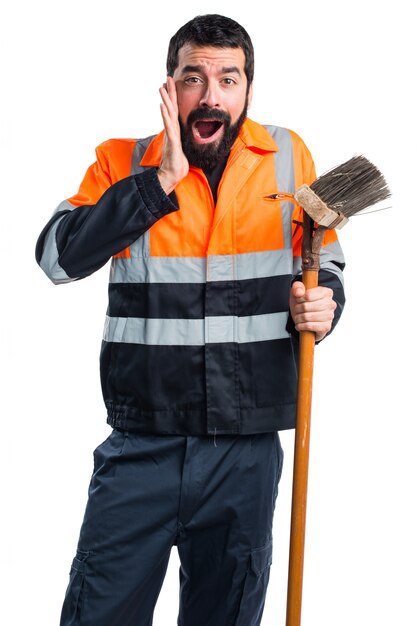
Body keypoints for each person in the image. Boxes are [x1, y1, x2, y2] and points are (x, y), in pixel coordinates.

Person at [36, 14, 345, 626]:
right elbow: (57, 258)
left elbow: (325, 256)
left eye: (228, 79)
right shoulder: (123, 163)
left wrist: (326, 299)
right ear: (169, 88)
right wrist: (159, 183)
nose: (211, 95)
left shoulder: (288, 157)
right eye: (193, 77)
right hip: (140, 451)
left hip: (245, 454)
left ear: (248, 91)